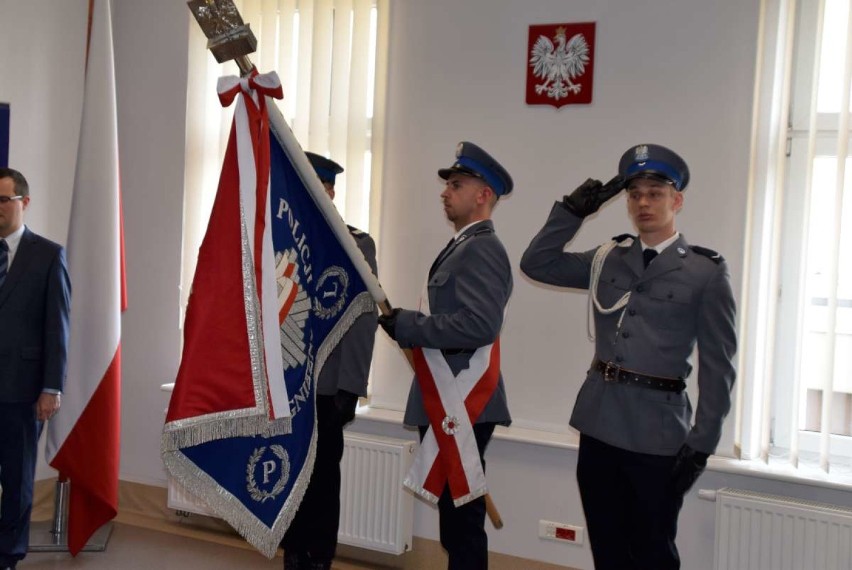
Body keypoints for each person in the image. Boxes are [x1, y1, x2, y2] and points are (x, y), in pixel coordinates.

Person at [520, 144, 737, 570]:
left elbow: (719, 367)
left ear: (677, 201)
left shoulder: (704, 273)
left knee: (653, 553)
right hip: (599, 425)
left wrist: (701, 444)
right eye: (634, 193)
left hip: (657, 438)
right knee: (608, 550)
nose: (643, 202)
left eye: (655, 192)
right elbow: (537, 263)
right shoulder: (608, 258)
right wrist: (571, 211)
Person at [377, 141, 513, 570]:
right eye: (447, 184)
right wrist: (406, 325)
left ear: (483, 194)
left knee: (463, 523)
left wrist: (412, 326)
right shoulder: (461, 245)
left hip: (464, 398)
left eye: (456, 184)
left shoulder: (483, 248)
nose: (445, 192)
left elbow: (480, 325)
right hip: (446, 396)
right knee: (456, 523)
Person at [280, 152, 378, 570]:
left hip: (326, 388)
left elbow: (363, 317)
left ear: (331, 191)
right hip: (287, 384)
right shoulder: (282, 239)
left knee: (321, 482)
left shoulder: (354, 244)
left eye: (317, 187)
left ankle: (317, 559)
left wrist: (350, 386)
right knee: (288, 476)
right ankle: (292, 553)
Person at [0, 168, 70, 570]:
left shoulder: (47, 255)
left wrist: (51, 387)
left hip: (22, 390)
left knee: (17, 480)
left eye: (4, 200)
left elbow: (57, 328)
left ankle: (7, 555)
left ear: (24, 203)